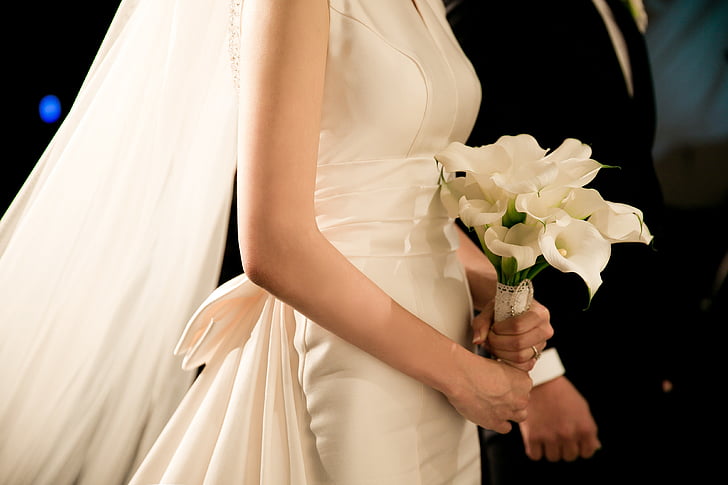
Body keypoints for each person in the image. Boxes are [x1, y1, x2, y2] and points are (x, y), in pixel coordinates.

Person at [0, 1, 553, 484]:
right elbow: (275, 244)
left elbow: (406, 197)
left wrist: (500, 294)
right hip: (358, 345)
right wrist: (463, 376)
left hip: (442, 334)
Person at [443, 0, 678, 483]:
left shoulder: (611, 7)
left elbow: (633, 177)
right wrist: (539, 378)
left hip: (628, 345)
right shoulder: (488, 12)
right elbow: (463, 200)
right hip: (545, 359)